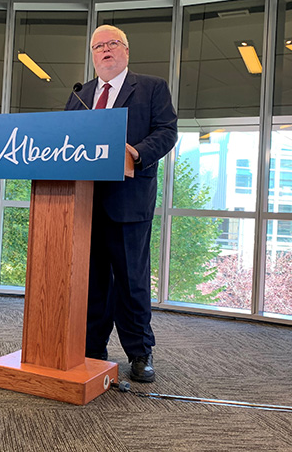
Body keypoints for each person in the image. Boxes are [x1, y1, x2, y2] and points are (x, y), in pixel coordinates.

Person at [65, 25, 178, 382]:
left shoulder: (151, 87)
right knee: (92, 280)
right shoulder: (81, 93)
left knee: (131, 280)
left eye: (112, 43)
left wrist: (138, 154)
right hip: (83, 200)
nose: (105, 50)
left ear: (126, 51)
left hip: (129, 200)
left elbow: (167, 131)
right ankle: (92, 347)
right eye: (98, 46)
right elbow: (64, 136)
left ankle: (139, 352)